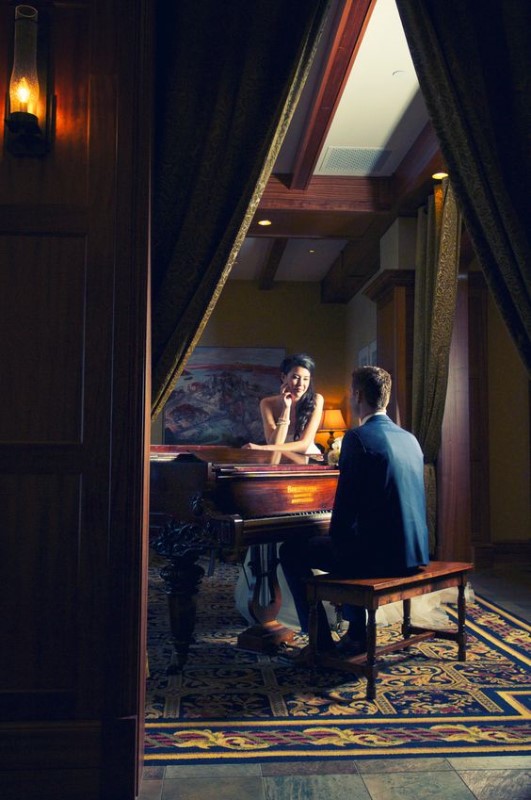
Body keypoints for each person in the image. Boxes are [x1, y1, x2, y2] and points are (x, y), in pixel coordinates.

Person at [279, 365, 429, 656]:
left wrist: (325, 532)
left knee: (291, 551)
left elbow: (345, 509)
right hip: (413, 552)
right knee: (354, 542)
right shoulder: (409, 438)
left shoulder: (357, 437)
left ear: (358, 395)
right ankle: (356, 633)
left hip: (380, 557)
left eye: (351, 393)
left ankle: (320, 643)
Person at [242, 353, 324, 455]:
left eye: (306, 379)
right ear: (283, 377)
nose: (301, 384)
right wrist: (286, 408)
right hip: (279, 458)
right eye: (295, 377)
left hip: (308, 458)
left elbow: (304, 445)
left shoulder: (317, 400)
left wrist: (261, 448)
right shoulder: (267, 403)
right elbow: (274, 443)